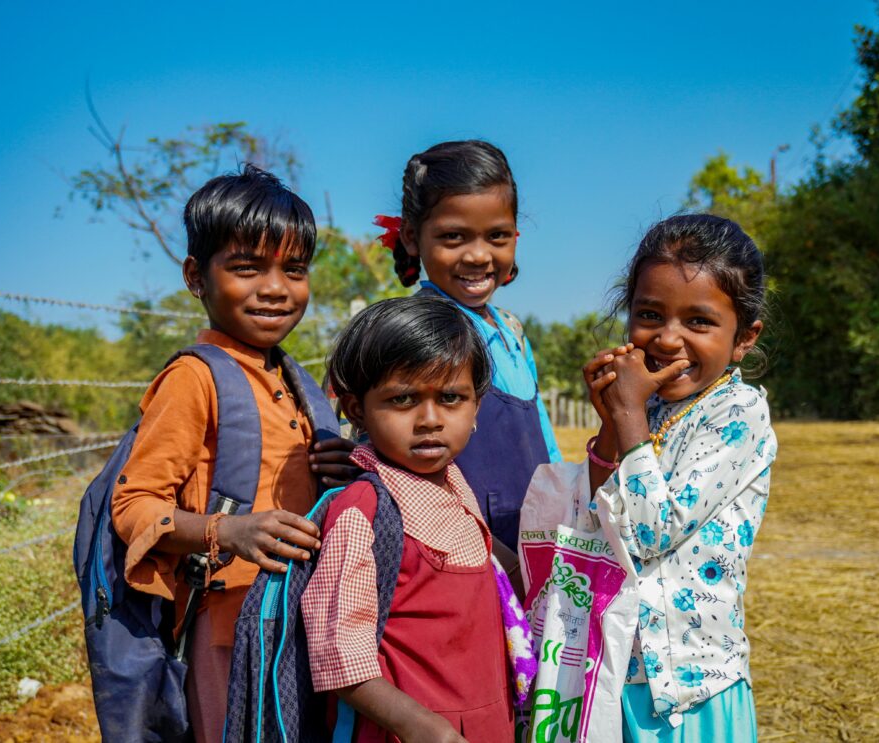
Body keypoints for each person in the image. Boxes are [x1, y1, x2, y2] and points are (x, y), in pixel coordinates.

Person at [110, 164, 356, 743]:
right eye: (247, 268)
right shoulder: (194, 380)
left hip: (300, 611)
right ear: (196, 276)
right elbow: (135, 506)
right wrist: (230, 532)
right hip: (227, 623)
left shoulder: (297, 382)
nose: (274, 288)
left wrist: (338, 469)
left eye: (293, 270)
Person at [538, 214, 778, 740]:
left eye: (699, 322)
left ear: (743, 338)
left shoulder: (738, 414)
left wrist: (626, 418)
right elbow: (595, 521)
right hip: (615, 669)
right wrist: (610, 424)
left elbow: (650, 532)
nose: (668, 339)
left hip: (691, 687)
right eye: (650, 314)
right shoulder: (644, 410)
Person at [302, 295, 522, 743]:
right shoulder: (362, 510)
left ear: (476, 406)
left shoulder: (454, 484)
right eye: (402, 399)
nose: (429, 420)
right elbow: (338, 654)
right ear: (357, 409)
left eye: (450, 398)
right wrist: (420, 726)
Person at [374, 139, 560, 553]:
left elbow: (546, 445)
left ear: (515, 235)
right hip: (463, 551)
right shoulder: (419, 332)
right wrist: (492, 556)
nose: (478, 256)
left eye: (496, 236)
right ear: (410, 236)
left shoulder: (512, 330)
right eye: (454, 237)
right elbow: (403, 467)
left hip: (531, 540)